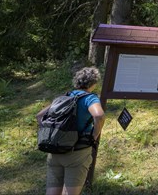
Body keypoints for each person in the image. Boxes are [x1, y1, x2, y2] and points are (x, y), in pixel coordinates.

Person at [36, 67, 106, 195]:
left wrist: (52, 135)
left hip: (54, 151)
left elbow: (39, 116)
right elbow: (99, 116)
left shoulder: (65, 97)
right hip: (77, 153)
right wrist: (94, 136)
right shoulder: (90, 98)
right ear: (94, 83)